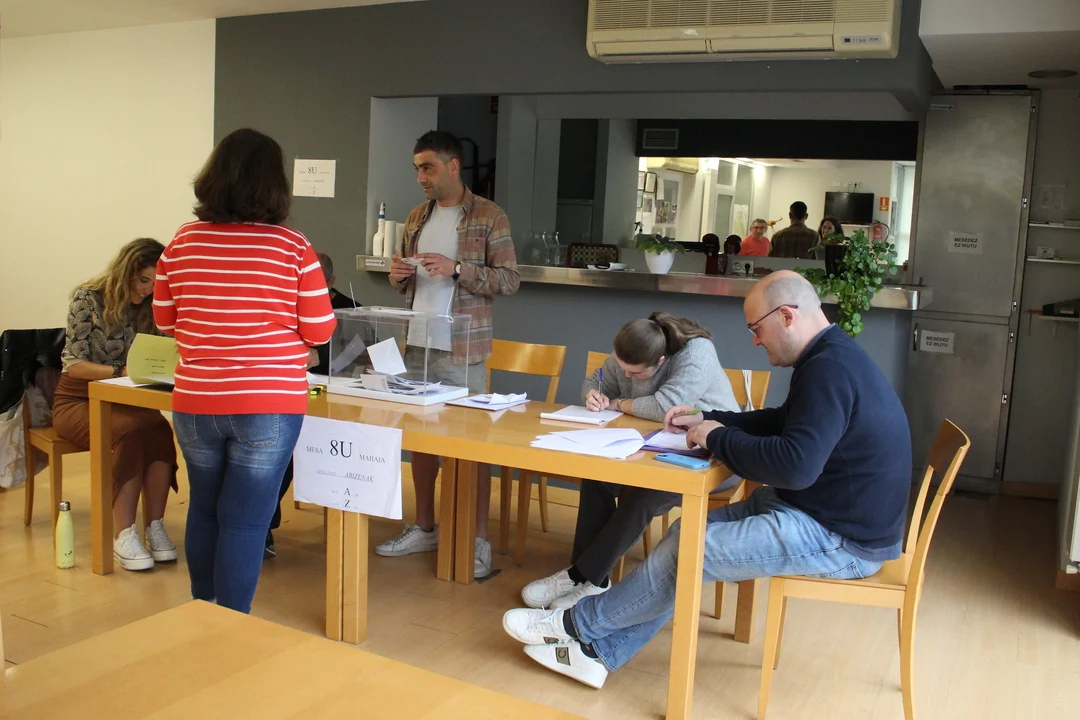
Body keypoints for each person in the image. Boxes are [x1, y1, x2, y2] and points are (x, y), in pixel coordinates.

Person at [501, 270, 912, 689]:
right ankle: (596, 656)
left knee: (693, 551)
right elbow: (779, 420)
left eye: (756, 329)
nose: (755, 341)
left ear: (787, 316)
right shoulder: (828, 357)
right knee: (686, 533)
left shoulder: (829, 369)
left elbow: (795, 467)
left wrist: (716, 436)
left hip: (842, 536)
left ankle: (574, 625)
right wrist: (710, 419)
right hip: (813, 509)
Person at [154, 128, 336, 613]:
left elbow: (165, 320)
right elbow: (320, 330)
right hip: (268, 404)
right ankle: (232, 624)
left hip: (196, 400)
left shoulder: (182, 242)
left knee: (204, 507)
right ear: (275, 184)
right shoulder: (293, 247)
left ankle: (202, 607)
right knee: (246, 520)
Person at [520, 312, 739, 610]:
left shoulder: (697, 352)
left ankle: (582, 575)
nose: (626, 377)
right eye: (623, 369)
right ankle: (592, 581)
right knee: (597, 475)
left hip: (714, 456)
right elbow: (596, 380)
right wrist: (593, 395)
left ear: (660, 361)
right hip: (655, 446)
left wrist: (618, 403)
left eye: (634, 374)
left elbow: (665, 406)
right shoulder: (635, 349)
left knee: (645, 492)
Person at [377, 130, 519, 577]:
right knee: (421, 444)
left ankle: (477, 541)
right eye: (417, 168)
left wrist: (457, 268)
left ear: (453, 166)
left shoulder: (490, 216)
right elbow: (402, 283)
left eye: (428, 167)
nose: (421, 177)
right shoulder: (415, 217)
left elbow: (509, 280)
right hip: (417, 345)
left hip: (463, 350)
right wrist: (399, 273)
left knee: (471, 448)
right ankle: (425, 527)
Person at [53, 239, 179, 572]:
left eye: (156, 283)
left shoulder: (151, 306)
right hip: (78, 399)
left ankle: (155, 527)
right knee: (131, 433)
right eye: (143, 280)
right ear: (126, 273)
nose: (149, 290)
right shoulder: (88, 299)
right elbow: (74, 365)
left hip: (127, 398)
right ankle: (123, 534)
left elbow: (163, 351)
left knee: (160, 430)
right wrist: (119, 371)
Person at [265, 251, 358, 558]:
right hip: (289, 394)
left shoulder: (350, 309)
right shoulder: (282, 303)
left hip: (335, 399)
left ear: (330, 282)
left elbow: (358, 356)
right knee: (278, 445)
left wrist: (321, 358)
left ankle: (263, 520)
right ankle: (263, 521)